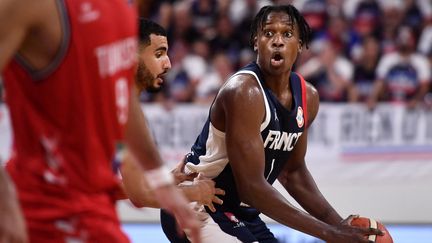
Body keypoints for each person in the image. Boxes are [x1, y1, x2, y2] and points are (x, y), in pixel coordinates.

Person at [161, 4, 383, 243]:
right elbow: (251, 187)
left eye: (287, 34)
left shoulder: (308, 97)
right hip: (198, 205)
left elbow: (293, 173)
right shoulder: (243, 92)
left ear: (300, 44)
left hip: (241, 212)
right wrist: (330, 233)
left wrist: (339, 225)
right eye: (268, 33)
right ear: (256, 42)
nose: (277, 41)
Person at [0, 1, 200, 242]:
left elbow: (124, 98)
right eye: (159, 54)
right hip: (39, 206)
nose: (167, 64)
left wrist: (163, 183)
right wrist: (5, 201)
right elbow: (137, 191)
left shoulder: (124, 12)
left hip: (94, 206)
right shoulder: (32, 6)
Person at [121, 18, 224, 212]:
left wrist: (168, 180)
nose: (168, 64)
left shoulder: (126, 103)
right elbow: (139, 196)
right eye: (159, 54)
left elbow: (125, 187)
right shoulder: (120, 106)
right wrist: (194, 193)